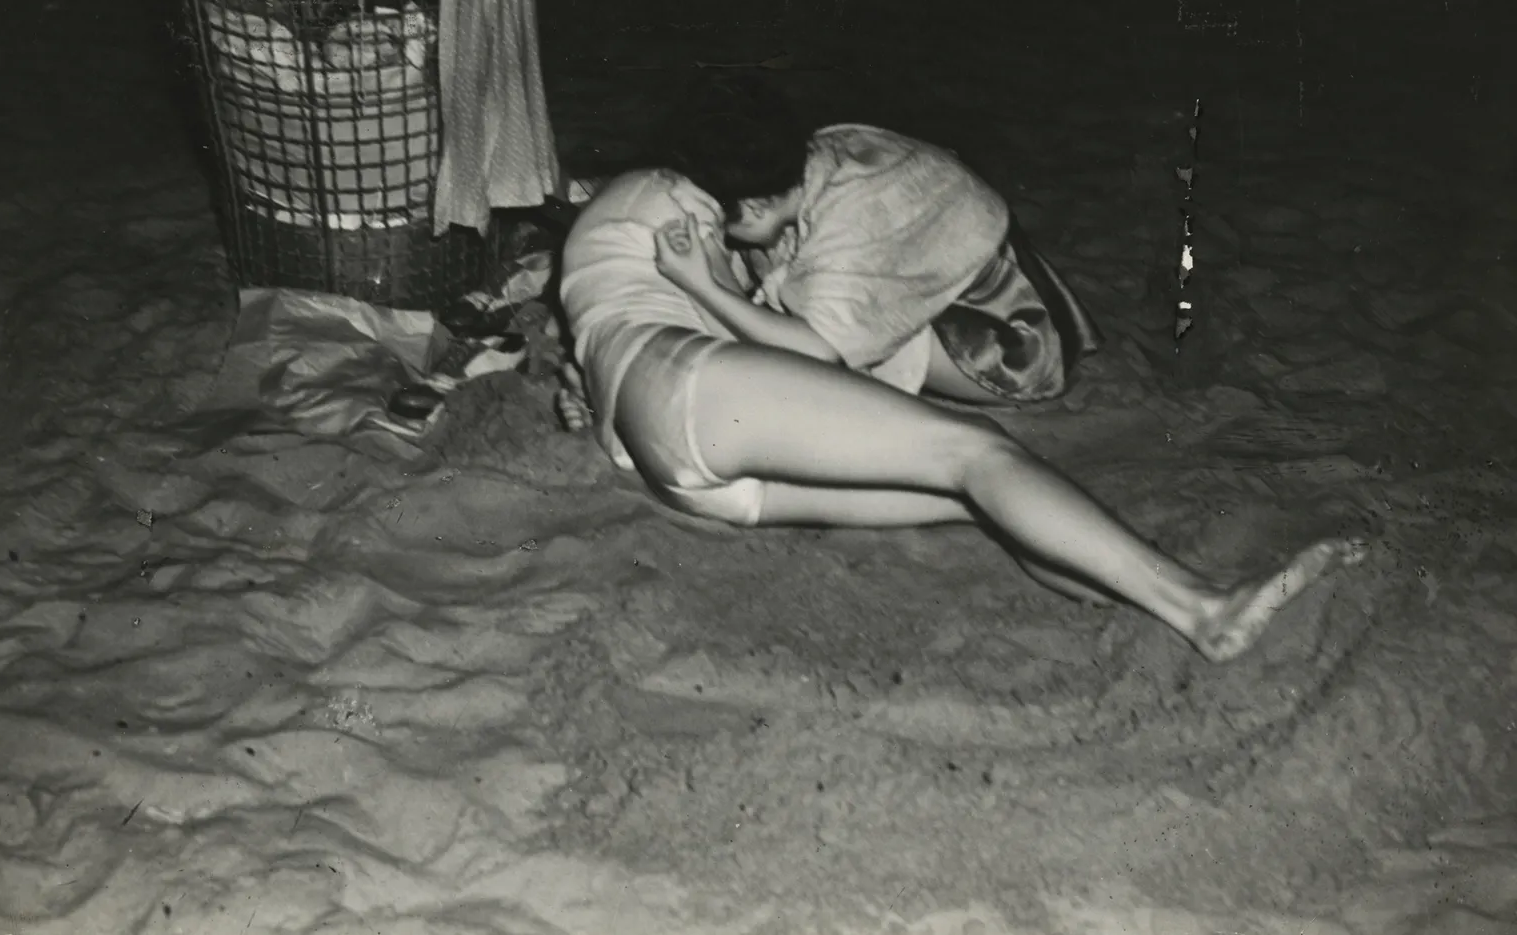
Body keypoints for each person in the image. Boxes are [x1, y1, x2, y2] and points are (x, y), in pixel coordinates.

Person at [557, 164, 1364, 665]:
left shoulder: (592, 271)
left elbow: (615, 395)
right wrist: (727, 281)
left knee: (977, 503)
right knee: (975, 451)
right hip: (686, 388)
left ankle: (1140, 598)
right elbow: (768, 333)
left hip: (676, 462)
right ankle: (1205, 608)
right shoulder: (670, 196)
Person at [661, 75, 1101, 405]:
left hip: (1011, 345)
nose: (724, 233)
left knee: (798, 359)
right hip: (1004, 281)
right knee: (768, 279)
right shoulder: (824, 148)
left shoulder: (852, 222)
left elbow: (817, 351)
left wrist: (702, 286)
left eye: (726, 221)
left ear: (755, 206)